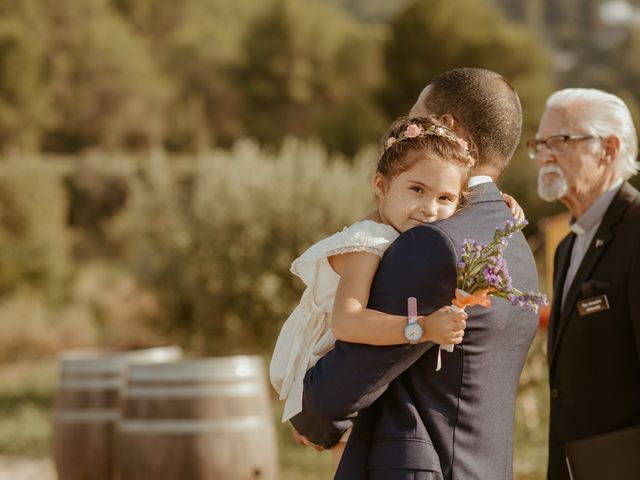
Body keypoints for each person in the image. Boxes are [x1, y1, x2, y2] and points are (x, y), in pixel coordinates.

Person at [290, 67, 540, 480]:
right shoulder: (513, 240)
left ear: (444, 128)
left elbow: (356, 370)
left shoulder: (432, 240)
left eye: (414, 118)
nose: (407, 127)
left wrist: (310, 415)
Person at [529, 88, 640, 480]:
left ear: (609, 148)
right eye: (540, 144)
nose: (544, 156)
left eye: (559, 141)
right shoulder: (569, 245)